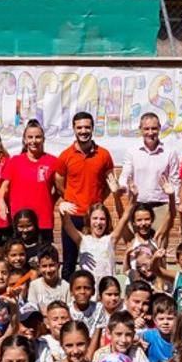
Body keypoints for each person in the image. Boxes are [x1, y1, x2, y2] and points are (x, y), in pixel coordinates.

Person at [54, 111, 117, 275]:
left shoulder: (104, 155)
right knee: (69, 263)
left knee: (96, 260)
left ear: (92, 128)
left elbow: (110, 183)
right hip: (73, 216)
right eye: (80, 128)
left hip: (94, 217)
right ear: (74, 129)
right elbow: (59, 181)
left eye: (87, 127)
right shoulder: (65, 156)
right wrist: (69, 198)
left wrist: (98, 201)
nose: (83, 131)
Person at [121, 112, 180, 240]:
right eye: (146, 129)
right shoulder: (132, 152)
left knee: (159, 245)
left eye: (154, 128)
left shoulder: (170, 152)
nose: (150, 132)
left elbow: (175, 180)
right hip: (137, 206)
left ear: (159, 128)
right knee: (137, 247)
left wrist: (174, 206)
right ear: (140, 129)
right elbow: (125, 175)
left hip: (161, 207)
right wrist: (122, 187)